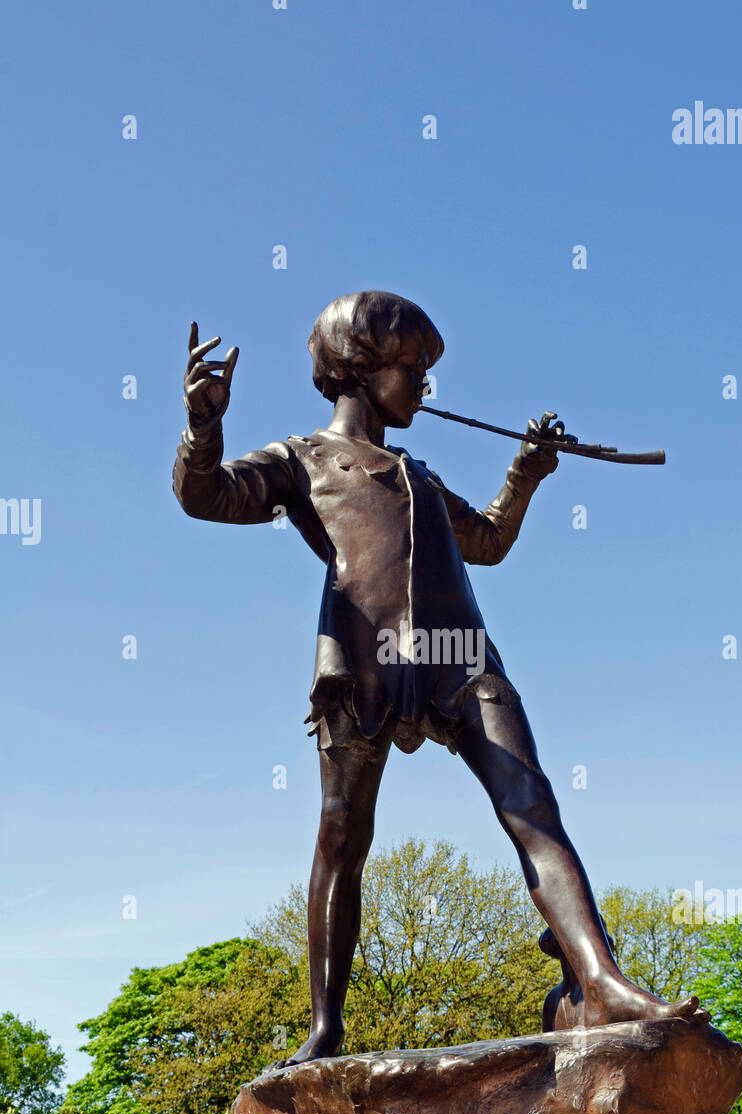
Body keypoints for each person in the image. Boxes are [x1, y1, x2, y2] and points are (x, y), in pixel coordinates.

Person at [173, 290, 706, 1064]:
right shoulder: (303, 460)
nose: (425, 383)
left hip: (462, 656)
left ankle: (600, 980)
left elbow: (485, 541)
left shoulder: (419, 477)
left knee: (533, 804)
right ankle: (325, 1028)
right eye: (413, 366)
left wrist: (525, 472)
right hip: (362, 661)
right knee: (342, 837)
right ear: (357, 368)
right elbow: (207, 496)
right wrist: (203, 425)